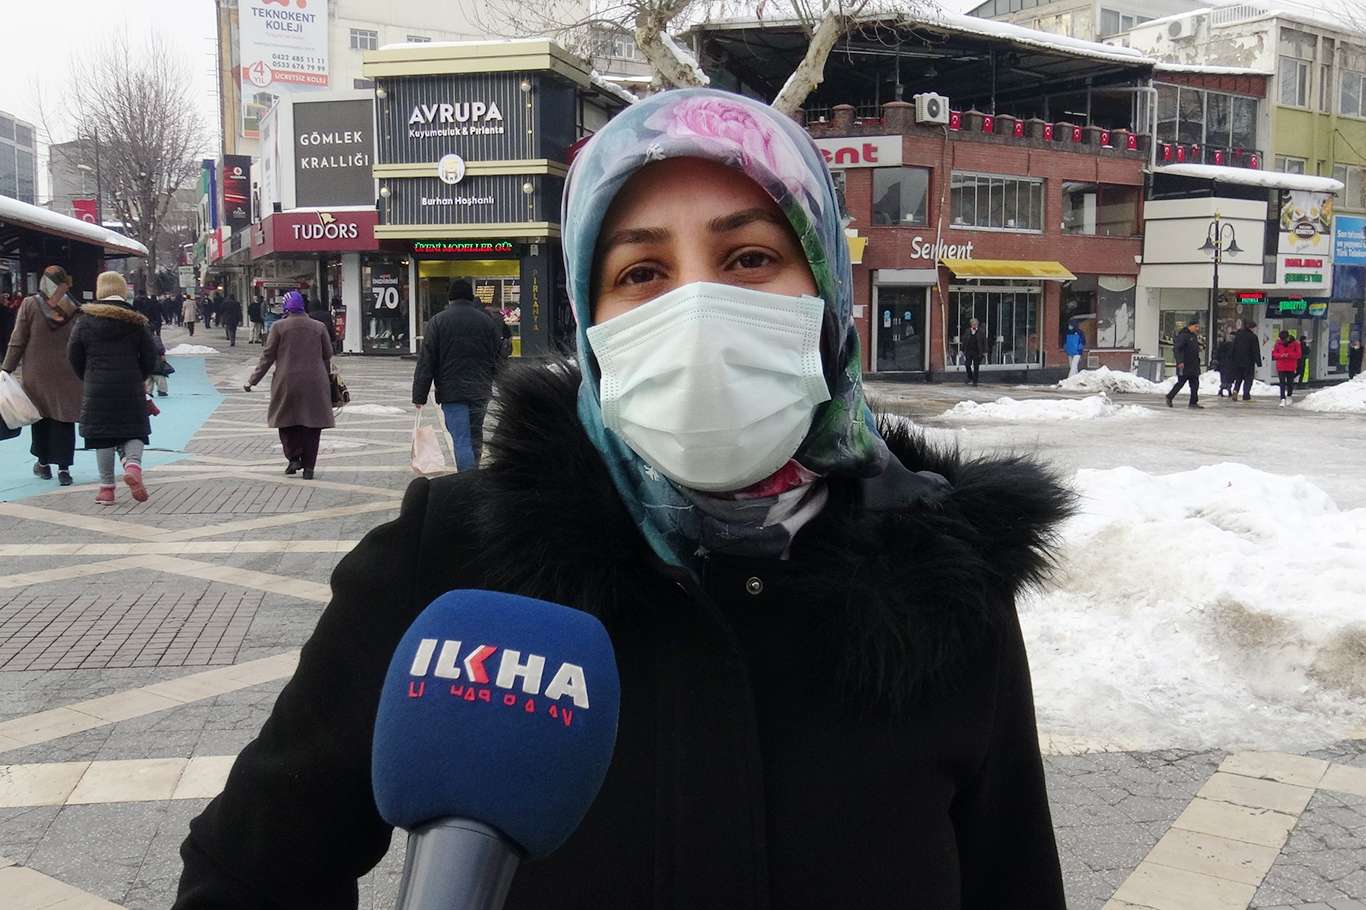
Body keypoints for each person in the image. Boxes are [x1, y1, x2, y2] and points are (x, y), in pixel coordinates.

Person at [175, 89, 1067, 909]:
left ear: (829, 294)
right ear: (591, 317)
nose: (698, 311)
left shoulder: (945, 580)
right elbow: (248, 876)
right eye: (641, 273)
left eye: (750, 257)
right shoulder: (452, 563)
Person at [68, 271, 157, 505]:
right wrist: (139, 376)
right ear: (122, 291)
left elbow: (74, 354)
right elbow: (150, 356)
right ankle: (133, 467)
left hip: (97, 387)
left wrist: (88, 376)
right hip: (130, 385)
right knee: (134, 431)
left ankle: (107, 490)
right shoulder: (136, 321)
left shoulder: (84, 320)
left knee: (103, 437)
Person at [411, 278, 506, 471]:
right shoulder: (486, 322)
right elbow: (499, 357)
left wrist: (419, 395)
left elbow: (426, 361)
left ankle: (468, 480)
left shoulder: (438, 321)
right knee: (475, 436)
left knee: (461, 438)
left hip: (451, 392)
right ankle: (473, 474)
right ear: (471, 297)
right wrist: (506, 388)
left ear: (450, 298)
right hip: (480, 390)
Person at [1, 265, 84, 485]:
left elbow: (18, 340)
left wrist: (6, 368)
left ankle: (43, 464)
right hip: (67, 373)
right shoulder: (74, 308)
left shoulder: (30, 304)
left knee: (40, 418)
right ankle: (64, 469)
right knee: (64, 419)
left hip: (37, 374)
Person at [243, 290, 334, 480]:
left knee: (284, 420)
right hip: (315, 383)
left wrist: (253, 380)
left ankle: (294, 457)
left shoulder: (278, 327)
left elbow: (267, 356)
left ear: (286, 307)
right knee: (312, 425)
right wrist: (327, 379)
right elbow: (328, 354)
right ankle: (309, 468)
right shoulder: (319, 327)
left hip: (286, 382)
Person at [1165, 320, 1203, 409]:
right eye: (1196, 326)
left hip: (1193, 365)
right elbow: (1177, 349)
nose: (1197, 328)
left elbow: (1191, 347)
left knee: (1195, 384)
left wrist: (1198, 349)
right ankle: (1169, 396)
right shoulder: (1183, 336)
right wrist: (1180, 361)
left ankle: (1193, 402)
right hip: (1184, 365)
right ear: (1190, 326)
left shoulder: (1193, 336)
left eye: (1198, 327)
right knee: (1181, 383)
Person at [1230, 320, 1262, 401]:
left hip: (1238, 362)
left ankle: (1235, 390)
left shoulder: (1238, 335)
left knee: (1238, 378)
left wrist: (1232, 359)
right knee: (1248, 379)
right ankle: (1246, 394)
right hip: (1249, 362)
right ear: (1251, 328)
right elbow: (1256, 350)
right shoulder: (1253, 337)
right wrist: (1258, 362)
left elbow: (1233, 347)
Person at [1273, 330, 1302, 407]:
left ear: (1288, 337)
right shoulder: (1278, 343)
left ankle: (1289, 395)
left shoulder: (1295, 344)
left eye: (1284, 339)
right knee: (1282, 383)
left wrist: (1288, 355)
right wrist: (1281, 355)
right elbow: (1274, 354)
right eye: (1281, 339)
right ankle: (1282, 398)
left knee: (1290, 383)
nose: (1283, 341)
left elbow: (1298, 355)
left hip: (1291, 366)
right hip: (1281, 366)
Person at [960, 317, 986, 386]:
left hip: (977, 351)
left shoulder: (981, 332)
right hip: (969, 351)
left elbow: (984, 342)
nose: (974, 325)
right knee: (967, 364)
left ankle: (975, 381)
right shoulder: (967, 331)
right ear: (971, 324)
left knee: (976, 366)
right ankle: (970, 377)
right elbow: (964, 341)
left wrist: (985, 351)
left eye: (975, 324)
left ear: (977, 324)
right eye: (972, 324)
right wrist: (962, 350)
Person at [147, 332, 172, 398]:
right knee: (159, 377)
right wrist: (163, 357)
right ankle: (162, 391)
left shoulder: (139, 337)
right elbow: (160, 349)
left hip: (145, 363)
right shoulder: (155, 338)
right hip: (156, 363)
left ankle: (148, 392)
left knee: (148, 379)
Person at [1214, 332, 1236, 398]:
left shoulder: (1223, 344)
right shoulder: (1234, 345)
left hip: (1223, 364)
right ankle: (1227, 390)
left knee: (1224, 378)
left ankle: (1222, 390)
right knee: (1229, 378)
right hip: (1230, 364)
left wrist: (1217, 361)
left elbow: (1218, 353)